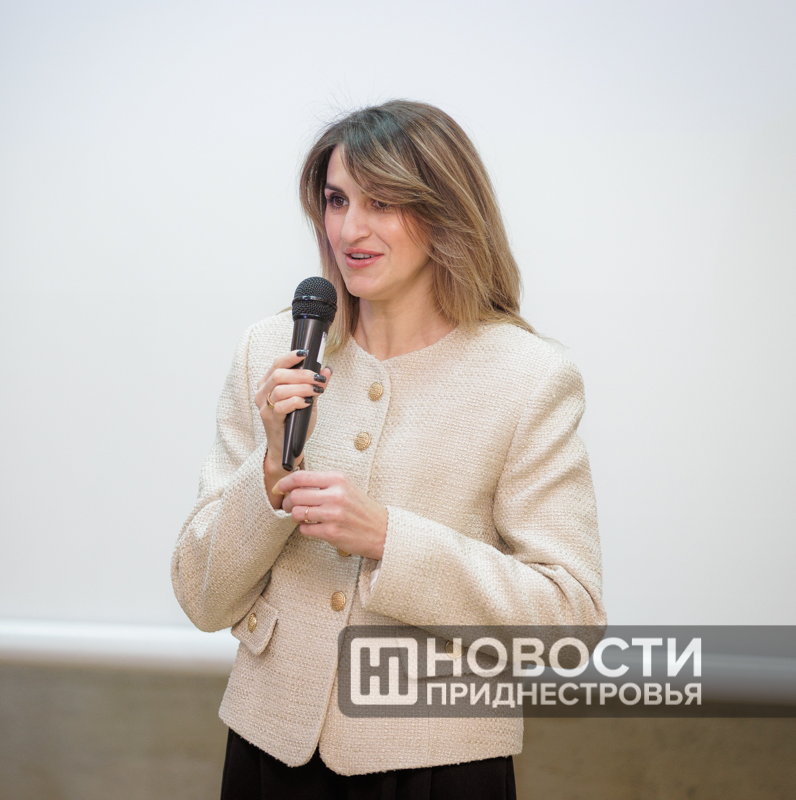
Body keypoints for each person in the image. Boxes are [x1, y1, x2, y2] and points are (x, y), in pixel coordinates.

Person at [172, 100, 604, 799]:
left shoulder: (527, 377)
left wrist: (388, 539)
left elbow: (569, 622)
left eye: (381, 202)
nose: (350, 229)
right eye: (337, 200)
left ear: (444, 213)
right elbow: (201, 598)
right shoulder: (271, 350)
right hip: (267, 752)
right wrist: (270, 472)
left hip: (439, 764)